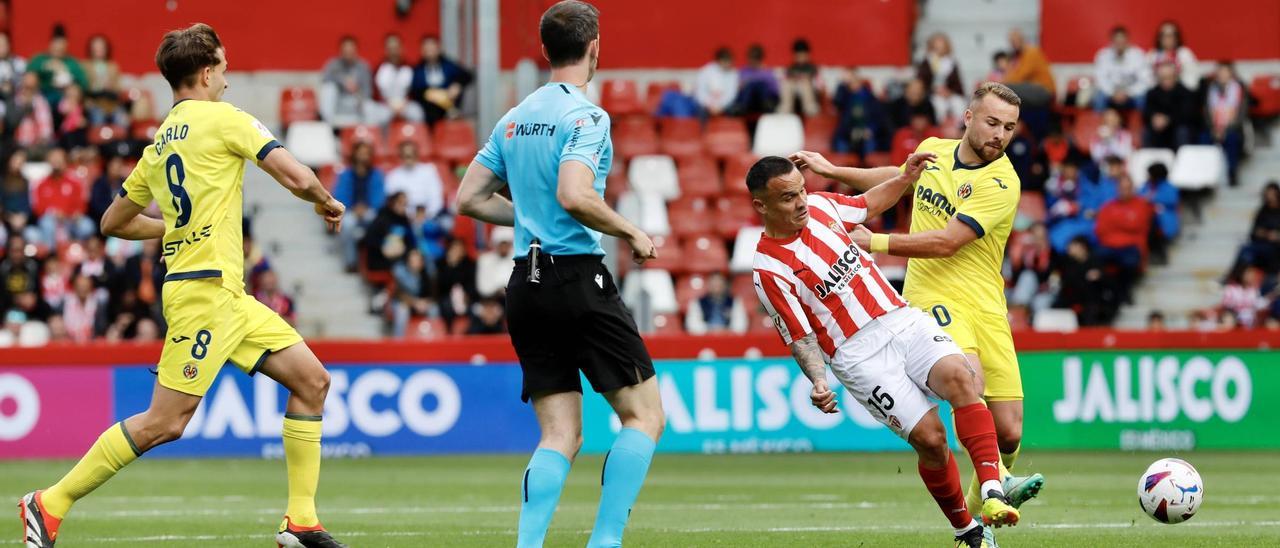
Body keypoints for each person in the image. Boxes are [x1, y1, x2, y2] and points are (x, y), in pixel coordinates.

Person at [19, 23, 349, 548]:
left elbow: (113, 221)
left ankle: (300, 523)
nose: (228, 75)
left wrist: (170, 227)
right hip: (202, 295)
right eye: (223, 65)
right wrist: (325, 201)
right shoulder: (225, 119)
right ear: (205, 71)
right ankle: (49, 502)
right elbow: (295, 175)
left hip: (226, 296)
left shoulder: (160, 141)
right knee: (163, 423)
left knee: (312, 382)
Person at [454, 3, 664, 546]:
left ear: (545, 50)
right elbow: (575, 195)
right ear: (595, 44)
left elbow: (469, 199)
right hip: (576, 278)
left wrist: (524, 214)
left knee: (560, 433)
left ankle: (529, 545)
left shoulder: (515, 116)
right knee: (643, 416)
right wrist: (632, 232)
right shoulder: (587, 116)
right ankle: (605, 541)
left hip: (526, 283)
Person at [792, 82, 1045, 523]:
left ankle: (985, 498)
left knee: (1008, 431)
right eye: (991, 123)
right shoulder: (934, 149)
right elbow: (895, 177)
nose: (999, 135)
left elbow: (949, 242)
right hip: (933, 296)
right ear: (968, 118)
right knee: (969, 381)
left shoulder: (1002, 182)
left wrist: (878, 241)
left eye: (1009, 128)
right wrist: (833, 169)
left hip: (985, 304)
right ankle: (993, 489)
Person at [748, 153, 1017, 548]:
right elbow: (799, 336)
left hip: (901, 319)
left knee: (963, 379)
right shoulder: (768, 268)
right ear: (762, 206)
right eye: (788, 198)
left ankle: (993, 491)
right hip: (858, 356)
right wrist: (820, 381)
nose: (802, 202)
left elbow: (868, 204)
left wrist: (905, 177)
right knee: (931, 440)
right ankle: (967, 530)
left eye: (802, 191)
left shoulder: (822, 206)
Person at [1095, 174, 1153, 304]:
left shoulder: (1141, 205)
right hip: (1110, 245)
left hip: (1131, 246)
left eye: (1127, 188)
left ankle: (1122, 291)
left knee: (1129, 261)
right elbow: (1101, 230)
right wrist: (1125, 224)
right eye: (1122, 188)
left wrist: (1118, 226)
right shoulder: (1108, 206)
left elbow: (1138, 225)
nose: (1124, 191)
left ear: (1132, 188)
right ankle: (1109, 293)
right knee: (1094, 259)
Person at [332, 141, 386, 270]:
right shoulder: (345, 174)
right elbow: (339, 196)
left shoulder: (376, 174)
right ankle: (351, 263)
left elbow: (380, 198)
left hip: (371, 210)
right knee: (347, 224)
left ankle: (374, 262)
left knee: (376, 221)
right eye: (360, 153)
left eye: (366, 153)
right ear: (355, 154)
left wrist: (367, 208)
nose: (363, 156)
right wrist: (353, 208)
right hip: (350, 211)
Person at [409, 35, 473, 126]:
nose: (430, 51)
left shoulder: (448, 65)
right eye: (427, 48)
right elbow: (414, 89)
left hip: (449, 102)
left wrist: (457, 85)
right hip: (428, 108)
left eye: (432, 47)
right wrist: (430, 93)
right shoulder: (418, 69)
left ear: (439, 48)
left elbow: (467, 76)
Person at [318, 36, 382, 128]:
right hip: (338, 102)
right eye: (345, 50)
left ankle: (368, 136)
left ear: (355, 50)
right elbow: (325, 80)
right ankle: (327, 127)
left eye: (350, 50)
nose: (348, 53)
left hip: (356, 102)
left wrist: (357, 91)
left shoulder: (363, 66)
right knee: (328, 89)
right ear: (341, 51)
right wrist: (343, 81)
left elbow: (368, 92)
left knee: (370, 106)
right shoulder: (333, 64)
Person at [27, 24, 89, 108]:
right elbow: (28, 77)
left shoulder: (71, 63)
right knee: (30, 79)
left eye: (61, 46)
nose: (58, 48)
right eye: (56, 45)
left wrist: (64, 71)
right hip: (41, 94)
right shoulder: (40, 60)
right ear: (50, 44)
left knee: (73, 91)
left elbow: (83, 83)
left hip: (64, 97)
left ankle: (71, 119)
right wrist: (46, 67)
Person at [1206, 62, 1246, 186]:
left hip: (1233, 128)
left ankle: (1232, 172)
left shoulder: (1239, 89)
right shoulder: (1210, 89)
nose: (1222, 75)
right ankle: (1207, 176)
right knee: (1203, 139)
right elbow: (1206, 113)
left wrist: (1225, 129)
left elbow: (1241, 115)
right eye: (1220, 72)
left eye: (1225, 72)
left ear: (1231, 73)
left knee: (1232, 139)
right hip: (1213, 129)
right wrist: (1214, 129)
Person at [1092, 26, 1148, 112]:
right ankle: (1099, 124)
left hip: (1131, 93)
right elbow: (1100, 79)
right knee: (1099, 98)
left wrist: (1128, 93)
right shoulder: (1103, 55)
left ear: (1127, 41)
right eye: (1116, 41)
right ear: (1111, 42)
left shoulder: (1138, 55)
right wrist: (1113, 93)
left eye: (1122, 41)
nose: (1119, 44)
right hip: (1111, 92)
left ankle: (1141, 124)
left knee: (1143, 99)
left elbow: (1144, 80)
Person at [1143, 62, 1197, 149]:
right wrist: (1154, 117)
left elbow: (1187, 114)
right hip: (1158, 129)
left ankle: (1181, 161)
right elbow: (1147, 112)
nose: (1166, 81)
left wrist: (1168, 119)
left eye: (1169, 77)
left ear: (1175, 77)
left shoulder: (1185, 93)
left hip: (1177, 127)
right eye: (1162, 78)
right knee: (1147, 132)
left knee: (1182, 131)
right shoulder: (1152, 93)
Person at [384, 140, 444, 219]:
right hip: (402, 218)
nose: (409, 158)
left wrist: (427, 214)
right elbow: (393, 203)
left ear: (417, 155)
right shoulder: (393, 176)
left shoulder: (429, 171)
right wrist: (409, 216)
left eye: (411, 155)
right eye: (406, 156)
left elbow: (436, 199)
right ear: (400, 156)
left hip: (429, 216)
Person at [373, 33, 425, 123]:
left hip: (406, 104)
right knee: (379, 117)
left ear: (401, 49)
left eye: (396, 48)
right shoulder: (379, 69)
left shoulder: (410, 68)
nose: (394, 52)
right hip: (385, 105)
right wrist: (389, 104)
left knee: (417, 113)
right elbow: (375, 94)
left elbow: (415, 91)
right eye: (390, 49)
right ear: (386, 50)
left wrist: (404, 104)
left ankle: (413, 137)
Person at [1003, 29, 1055, 106]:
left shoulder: (1031, 53)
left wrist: (1001, 84)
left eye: (1015, 41)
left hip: (1043, 90)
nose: (1013, 44)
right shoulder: (1019, 56)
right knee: (1005, 89)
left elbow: (1021, 75)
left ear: (1022, 39)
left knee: (1006, 89)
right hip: (1033, 88)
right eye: (1011, 42)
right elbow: (1012, 74)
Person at [1146, 21, 1199, 90]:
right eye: (1164, 35)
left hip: (1180, 92)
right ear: (1159, 38)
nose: (1167, 38)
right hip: (1158, 93)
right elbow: (1146, 78)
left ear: (1177, 38)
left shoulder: (1184, 53)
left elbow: (1192, 79)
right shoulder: (1153, 55)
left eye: (1171, 35)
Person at [777, 38, 820, 117]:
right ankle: (785, 109)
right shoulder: (791, 68)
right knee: (787, 84)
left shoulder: (812, 68)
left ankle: (810, 108)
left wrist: (804, 79)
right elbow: (785, 79)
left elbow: (819, 85)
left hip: (809, 95)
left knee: (805, 84)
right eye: (798, 56)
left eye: (802, 55)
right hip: (793, 96)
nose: (800, 58)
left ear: (807, 55)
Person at [693, 47, 738, 116]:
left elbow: (731, 94)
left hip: (724, 107)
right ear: (719, 60)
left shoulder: (733, 74)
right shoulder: (706, 71)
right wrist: (709, 106)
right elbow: (700, 92)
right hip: (705, 106)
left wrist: (720, 107)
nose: (728, 64)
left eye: (730, 61)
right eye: (725, 61)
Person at [0, 31, 27, 98]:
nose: (1, 48)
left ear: (9, 45)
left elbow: (26, 81)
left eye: (4, 45)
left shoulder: (20, 63)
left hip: (16, 98)